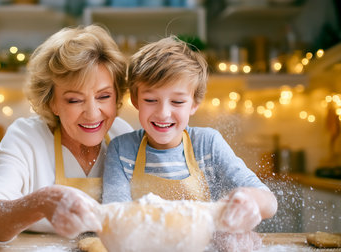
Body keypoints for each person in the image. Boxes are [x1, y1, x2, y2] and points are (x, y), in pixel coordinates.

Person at [102, 36, 277, 248]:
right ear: (136, 100)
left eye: (177, 101)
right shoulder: (122, 149)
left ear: (194, 103)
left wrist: (249, 199)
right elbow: (115, 215)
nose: (163, 113)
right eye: (150, 100)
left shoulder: (207, 144)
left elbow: (269, 201)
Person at [0, 24, 133, 248]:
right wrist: (40, 203)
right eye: (74, 100)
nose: (93, 113)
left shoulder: (123, 135)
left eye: (104, 96)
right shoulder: (26, 137)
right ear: (52, 102)